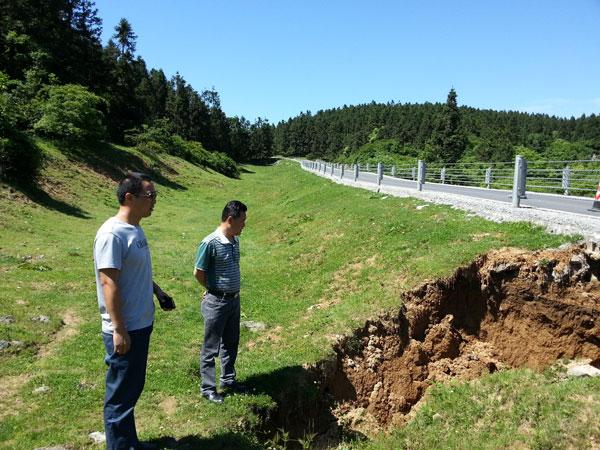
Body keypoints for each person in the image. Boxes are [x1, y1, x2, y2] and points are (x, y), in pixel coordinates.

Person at [93, 172, 175, 450]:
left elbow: (134, 271)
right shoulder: (111, 234)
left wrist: (158, 292)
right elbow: (108, 281)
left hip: (141, 323)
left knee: (131, 389)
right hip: (126, 329)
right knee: (120, 396)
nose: (154, 202)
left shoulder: (135, 229)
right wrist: (119, 329)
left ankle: (129, 443)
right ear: (130, 197)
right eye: (150, 196)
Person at [194, 200, 248, 404]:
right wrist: (211, 290)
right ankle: (208, 388)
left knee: (231, 342)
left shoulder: (234, 240)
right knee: (211, 347)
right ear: (230, 219)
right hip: (217, 302)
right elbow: (198, 272)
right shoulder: (210, 243)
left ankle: (228, 379)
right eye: (242, 220)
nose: (244, 224)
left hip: (234, 301)